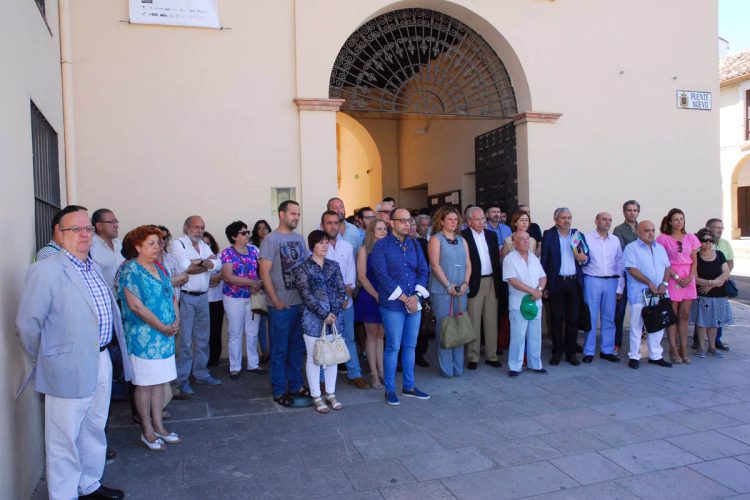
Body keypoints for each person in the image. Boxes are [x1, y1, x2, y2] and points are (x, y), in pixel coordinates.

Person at [16, 206, 131, 500]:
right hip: (66, 367)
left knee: (94, 426)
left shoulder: (92, 267)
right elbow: (28, 325)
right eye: (75, 229)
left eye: (87, 229)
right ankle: (64, 494)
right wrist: (50, 358)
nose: (83, 235)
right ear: (59, 234)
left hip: (101, 359)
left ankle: (89, 484)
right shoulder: (46, 270)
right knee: (63, 439)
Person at [118, 225, 181, 451]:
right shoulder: (130, 270)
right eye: (151, 244)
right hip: (143, 337)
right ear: (137, 247)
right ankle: (147, 431)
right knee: (144, 385)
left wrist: (176, 319)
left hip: (165, 336)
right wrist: (162, 327)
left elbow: (170, 294)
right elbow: (136, 306)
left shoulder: (160, 268)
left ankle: (160, 427)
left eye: (159, 243)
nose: (157, 247)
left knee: (159, 384)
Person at [371, 207, 430, 406]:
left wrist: (415, 296)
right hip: (393, 305)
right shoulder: (381, 246)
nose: (407, 224)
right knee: (393, 346)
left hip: (414, 303)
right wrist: (405, 298)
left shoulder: (414, 244)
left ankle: (409, 386)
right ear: (391, 223)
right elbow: (382, 275)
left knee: (410, 346)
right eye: (402, 220)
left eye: (409, 220)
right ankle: (389, 389)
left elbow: (423, 270)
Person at [259, 200, 309, 407]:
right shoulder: (271, 240)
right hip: (281, 306)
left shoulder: (299, 239)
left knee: (297, 349)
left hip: (300, 305)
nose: (296, 217)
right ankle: (279, 390)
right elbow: (264, 273)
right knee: (279, 350)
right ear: (282, 214)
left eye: (298, 214)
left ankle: (296, 385)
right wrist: (276, 301)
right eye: (292, 214)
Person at [293, 230, 346, 413]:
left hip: (335, 320)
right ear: (312, 245)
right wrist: (324, 314)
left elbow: (341, 291)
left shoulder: (334, 266)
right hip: (313, 320)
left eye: (326, 242)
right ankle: (316, 395)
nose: (324, 246)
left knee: (333, 358)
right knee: (315, 358)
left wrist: (334, 312)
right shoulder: (303, 268)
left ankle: (330, 394)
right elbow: (305, 294)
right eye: (320, 242)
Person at [169, 216, 223, 396]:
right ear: (186, 228)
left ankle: (201, 373)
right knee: (185, 341)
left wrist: (200, 263)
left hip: (203, 298)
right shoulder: (178, 244)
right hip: (186, 298)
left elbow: (217, 264)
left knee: (202, 338)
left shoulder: (204, 245)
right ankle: (182, 379)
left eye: (202, 227)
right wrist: (205, 263)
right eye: (196, 227)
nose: (199, 230)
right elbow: (186, 268)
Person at [321, 210, 369, 389]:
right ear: (322, 225)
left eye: (335, 223)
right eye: (329, 223)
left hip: (345, 303)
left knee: (349, 338)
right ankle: (322, 379)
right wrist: (332, 300)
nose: (332, 226)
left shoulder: (347, 247)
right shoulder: (318, 248)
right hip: (325, 305)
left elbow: (351, 274)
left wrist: (345, 294)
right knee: (325, 340)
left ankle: (354, 373)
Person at [540, 208, 589, 366]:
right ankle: (557, 352)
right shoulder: (549, 235)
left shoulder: (577, 235)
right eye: (563, 218)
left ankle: (571, 353)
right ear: (556, 220)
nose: (567, 220)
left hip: (574, 283)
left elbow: (587, 258)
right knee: (555, 318)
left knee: (573, 319)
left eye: (569, 217)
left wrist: (583, 258)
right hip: (557, 282)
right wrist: (545, 285)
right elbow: (545, 261)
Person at [623, 221, 673, 369]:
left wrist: (664, 284)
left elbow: (667, 267)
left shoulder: (660, 248)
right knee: (636, 326)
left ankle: (655, 355)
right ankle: (634, 355)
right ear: (638, 232)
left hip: (659, 294)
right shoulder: (631, 248)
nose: (651, 233)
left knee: (657, 324)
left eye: (652, 230)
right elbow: (632, 269)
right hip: (640, 293)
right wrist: (649, 282)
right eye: (646, 231)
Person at [429, 206, 472, 377]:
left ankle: (458, 367)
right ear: (441, 221)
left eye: (456, 219)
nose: (454, 222)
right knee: (445, 328)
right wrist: (448, 285)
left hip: (462, 290)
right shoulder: (435, 239)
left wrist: (465, 283)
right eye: (450, 219)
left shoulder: (462, 240)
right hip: (442, 291)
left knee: (460, 326)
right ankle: (446, 368)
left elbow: (468, 263)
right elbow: (434, 265)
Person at [221, 221, 266, 380]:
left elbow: (262, 271)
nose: (248, 235)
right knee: (235, 332)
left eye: (248, 232)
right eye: (243, 233)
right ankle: (235, 366)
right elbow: (228, 277)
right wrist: (251, 283)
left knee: (253, 331)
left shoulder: (255, 250)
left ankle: (253, 363)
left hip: (253, 297)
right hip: (234, 298)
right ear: (234, 237)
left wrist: (259, 283)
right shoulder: (227, 253)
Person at [461, 206, 502, 369]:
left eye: (483, 219)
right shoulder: (463, 237)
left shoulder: (491, 236)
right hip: (474, 282)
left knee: (491, 320)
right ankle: (473, 356)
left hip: (492, 281)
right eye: (477, 219)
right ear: (469, 221)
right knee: (474, 319)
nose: (481, 222)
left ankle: (492, 355)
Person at [657, 208, 700, 364]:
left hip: (688, 277)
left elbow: (695, 259)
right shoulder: (663, 239)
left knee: (685, 315)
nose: (679, 222)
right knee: (672, 315)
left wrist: (690, 277)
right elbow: (663, 260)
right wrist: (674, 276)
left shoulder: (691, 238)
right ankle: (673, 349)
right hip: (672, 276)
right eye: (676, 219)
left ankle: (683, 348)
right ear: (669, 222)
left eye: (681, 218)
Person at [503, 231, 548, 377]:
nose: (525, 242)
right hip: (518, 303)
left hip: (535, 302)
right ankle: (515, 366)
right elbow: (512, 280)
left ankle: (535, 364)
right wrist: (532, 291)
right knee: (518, 335)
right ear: (514, 242)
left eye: (527, 239)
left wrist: (539, 290)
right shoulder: (509, 259)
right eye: (521, 239)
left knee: (535, 334)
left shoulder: (534, 258)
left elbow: (543, 276)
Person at [581, 212, 624, 363]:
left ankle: (607, 350)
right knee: (591, 317)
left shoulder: (615, 240)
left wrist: (619, 287)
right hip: (592, 280)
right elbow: (581, 259)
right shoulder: (586, 238)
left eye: (610, 220)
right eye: (604, 219)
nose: (607, 222)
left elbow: (620, 263)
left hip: (611, 282)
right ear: (596, 221)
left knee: (609, 317)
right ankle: (589, 351)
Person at [691, 228, 733, 358]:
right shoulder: (696, 257)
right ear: (699, 242)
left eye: (710, 240)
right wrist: (712, 283)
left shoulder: (719, 254)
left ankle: (712, 347)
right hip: (702, 295)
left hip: (718, 295)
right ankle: (701, 348)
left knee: (715, 322)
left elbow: (726, 273)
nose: (708, 243)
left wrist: (711, 284)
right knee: (702, 322)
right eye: (704, 240)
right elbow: (695, 278)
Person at [356, 219, 388, 387]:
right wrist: (376, 295)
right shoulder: (364, 250)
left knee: (381, 333)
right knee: (371, 334)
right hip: (370, 294)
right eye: (379, 229)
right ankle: (373, 373)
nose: (383, 231)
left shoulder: (389, 249)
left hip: (386, 294)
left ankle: (382, 370)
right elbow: (362, 276)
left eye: (385, 228)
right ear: (371, 231)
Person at [613, 200, 640, 354]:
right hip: (625, 275)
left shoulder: (642, 228)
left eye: (635, 210)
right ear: (624, 212)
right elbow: (624, 251)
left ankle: (642, 345)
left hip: (641, 276)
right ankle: (616, 344)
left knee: (643, 311)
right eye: (629, 210)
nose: (632, 213)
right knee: (620, 311)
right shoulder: (619, 230)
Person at [706, 218, 734, 351]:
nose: (720, 230)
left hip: (720, 284)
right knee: (702, 312)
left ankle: (717, 340)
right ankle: (697, 340)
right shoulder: (702, 243)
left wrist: (723, 278)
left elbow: (730, 262)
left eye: (721, 228)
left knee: (719, 313)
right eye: (717, 227)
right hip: (704, 285)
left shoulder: (725, 244)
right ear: (709, 228)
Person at [251, 219, 272, 361]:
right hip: (259, 290)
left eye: (265, 228)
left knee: (275, 323)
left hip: (274, 289)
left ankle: (275, 351)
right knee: (260, 324)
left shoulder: (274, 245)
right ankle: (265, 352)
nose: (263, 231)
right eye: (259, 228)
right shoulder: (252, 249)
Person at [202, 231, 224, 367]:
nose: (206, 246)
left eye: (208, 243)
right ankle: (203, 359)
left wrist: (219, 276)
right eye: (203, 244)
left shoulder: (219, 257)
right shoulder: (197, 260)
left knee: (216, 331)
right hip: (202, 301)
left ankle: (214, 359)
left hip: (217, 300)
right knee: (203, 333)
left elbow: (226, 270)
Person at [89, 208, 124, 294]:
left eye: (116, 221)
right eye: (111, 222)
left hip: (124, 299)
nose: (116, 225)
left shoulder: (120, 245)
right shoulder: (90, 248)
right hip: (105, 299)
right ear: (99, 226)